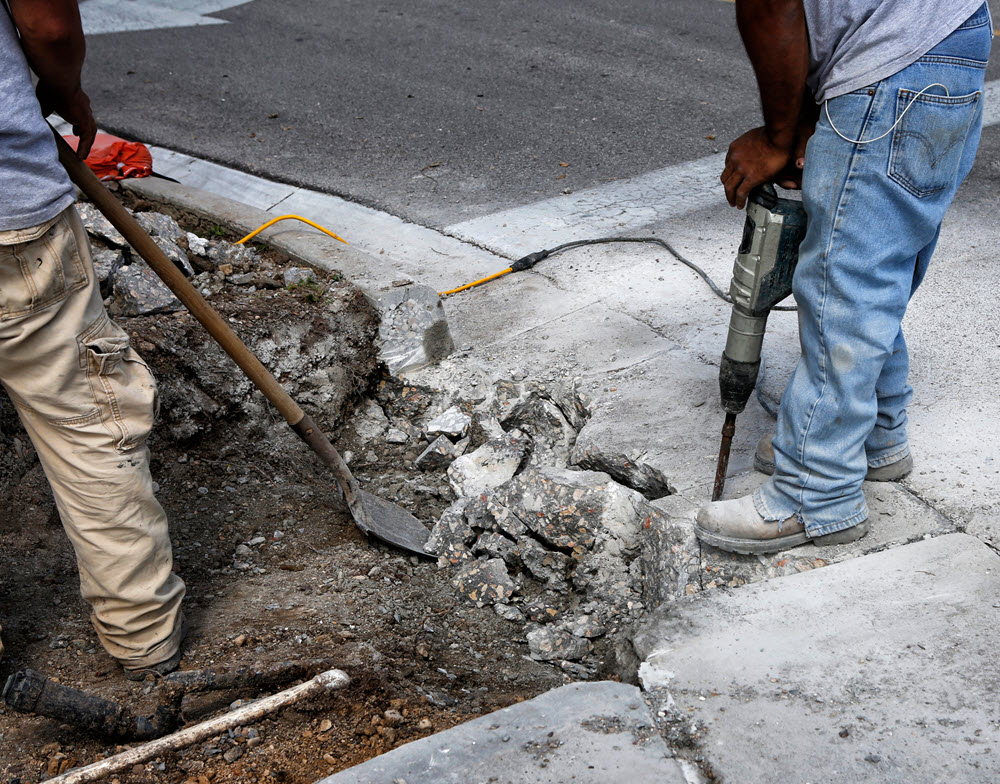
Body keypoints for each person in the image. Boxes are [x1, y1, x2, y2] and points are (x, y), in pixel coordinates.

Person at [695, 0, 991, 553]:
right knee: (878, 261)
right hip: (951, 41)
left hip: (888, 63)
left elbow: (769, 5)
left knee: (843, 282)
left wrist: (779, 137)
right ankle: (875, 435)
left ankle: (817, 492)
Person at [0, 0, 186, 678]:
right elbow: (46, 22)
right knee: (85, 418)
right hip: (9, 218)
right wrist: (62, 89)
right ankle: (144, 640)